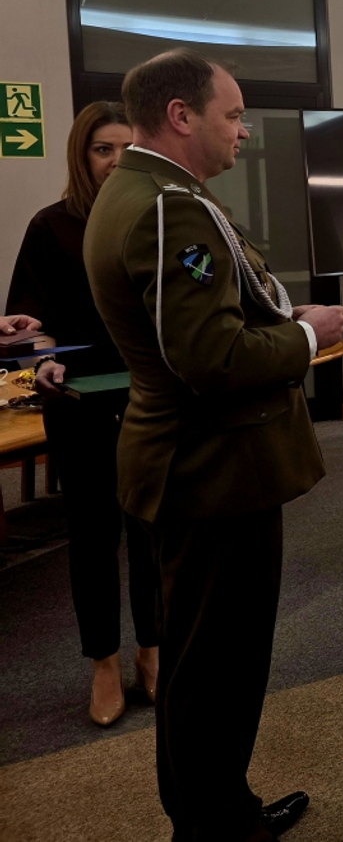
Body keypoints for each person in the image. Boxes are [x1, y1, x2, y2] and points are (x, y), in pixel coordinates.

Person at [83, 49, 343, 841]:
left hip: (192, 463)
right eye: (232, 115)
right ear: (180, 116)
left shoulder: (136, 192)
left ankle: (216, 810)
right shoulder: (171, 208)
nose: (243, 131)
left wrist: (277, 319)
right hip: (213, 467)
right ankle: (213, 825)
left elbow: (199, 325)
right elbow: (211, 359)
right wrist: (307, 335)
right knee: (217, 666)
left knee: (205, 660)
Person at [6, 101, 158, 728]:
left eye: (127, 148)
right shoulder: (51, 226)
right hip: (79, 404)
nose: (116, 161)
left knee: (152, 531)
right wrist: (38, 352)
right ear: (82, 155)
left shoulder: (155, 218)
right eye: (102, 149)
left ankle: (153, 651)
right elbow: (28, 323)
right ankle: (104, 663)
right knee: (93, 538)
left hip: (150, 401)